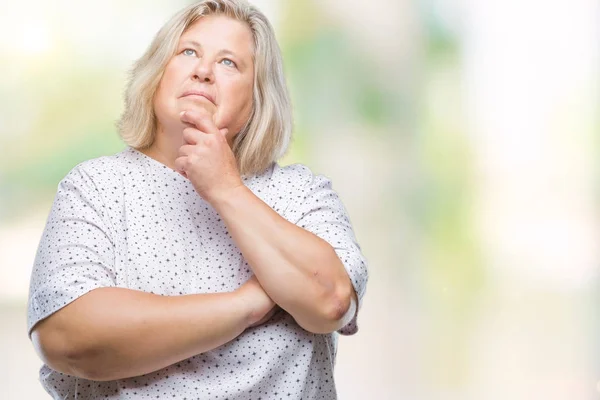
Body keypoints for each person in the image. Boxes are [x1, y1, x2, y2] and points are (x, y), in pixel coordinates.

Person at [27, 0, 368, 398]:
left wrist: (225, 188)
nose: (203, 71)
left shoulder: (302, 194)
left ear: (257, 97)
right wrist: (249, 303)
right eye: (188, 51)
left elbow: (330, 301)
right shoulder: (95, 186)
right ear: (157, 73)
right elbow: (69, 339)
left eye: (229, 63)